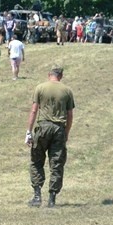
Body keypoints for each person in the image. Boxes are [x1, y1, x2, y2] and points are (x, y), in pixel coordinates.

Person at [26, 66, 75, 208]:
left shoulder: (40, 88)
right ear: (61, 76)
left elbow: (34, 110)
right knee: (57, 164)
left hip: (43, 127)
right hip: (59, 128)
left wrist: (28, 131)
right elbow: (70, 115)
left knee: (36, 161)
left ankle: (37, 196)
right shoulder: (67, 91)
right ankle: (52, 198)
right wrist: (66, 132)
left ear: (49, 75)